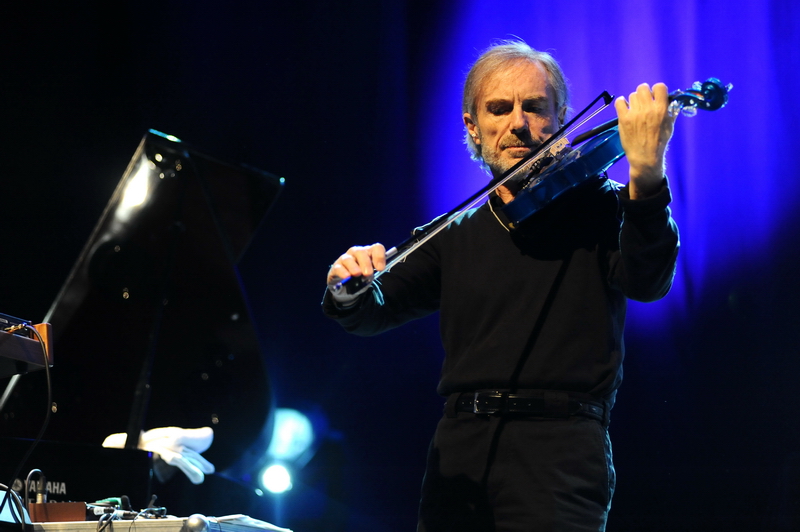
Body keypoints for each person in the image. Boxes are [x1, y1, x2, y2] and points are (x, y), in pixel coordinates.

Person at [322, 40, 679, 532]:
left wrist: (647, 174)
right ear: (474, 127)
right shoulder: (458, 230)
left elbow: (648, 280)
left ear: (559, 119)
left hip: (561, 451)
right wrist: (346, 283)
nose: (517, 123)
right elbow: (369, 311)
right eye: (499, 109)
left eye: (534, 107)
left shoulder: (606, 206)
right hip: (461, 450)